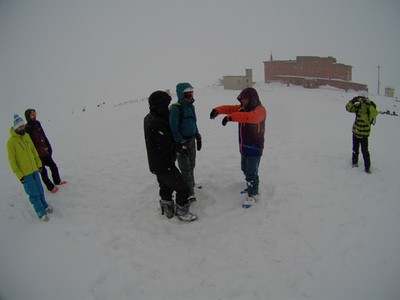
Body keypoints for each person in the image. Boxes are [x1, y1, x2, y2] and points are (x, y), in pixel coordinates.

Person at [144, 90, 198, 222]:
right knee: (183, 188)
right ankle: (182, 211)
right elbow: (165, 143)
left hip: (157, 163)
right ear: (159, 104)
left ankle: (167, 208)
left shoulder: (151, 116)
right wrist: (180, 147)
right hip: (163, 164)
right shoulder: (156, 121)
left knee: (165, 186)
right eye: (166, 103)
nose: (168, 106)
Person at [210, 87, 266, 208]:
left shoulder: (260, 110)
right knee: (245, 169)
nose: (242, 102)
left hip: (255, 148)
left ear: (251, 99)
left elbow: (251, 117)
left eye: (244, 99)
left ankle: (253, 194)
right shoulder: (242, 108)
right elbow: (229, 108)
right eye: (241, 99)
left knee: (251, 172)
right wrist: (217, 110)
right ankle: (250, 186)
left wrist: (232, 117)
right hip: (244, 147)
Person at [7, 114, 53, 222]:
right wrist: (19, 175)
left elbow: (33, 151)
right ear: (15, 128)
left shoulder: (27, 136)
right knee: (33, 193)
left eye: (22, 126)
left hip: (34, 169)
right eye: (19, 127)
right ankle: (40, 212)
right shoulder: (11, 143)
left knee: (40, 189)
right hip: (25, 173)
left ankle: (44, 204)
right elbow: (12, 161)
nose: (22, 128)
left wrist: (39, 165)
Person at [169, 82, 202, 202]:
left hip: (191, 140)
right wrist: (180, 143)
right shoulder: (175, 109)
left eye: (191, 93)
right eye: (187, 94)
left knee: (192, 165)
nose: (190, 96)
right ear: (181, 95)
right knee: (185, 168)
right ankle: (189, 192)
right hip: (182, 143)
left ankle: (191, 183)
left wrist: (198, 136)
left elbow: (194, 122)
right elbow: (174, 127)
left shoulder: (191, 107)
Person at [24, 109, 66, 193]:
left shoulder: (37, 123)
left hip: (45, 151)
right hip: (37, 155)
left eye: (35, 114)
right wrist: (34, 155)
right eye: (32, 115)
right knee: (43, 172)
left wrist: (49, 146)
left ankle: (57, 181)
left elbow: (43, 136)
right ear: (28, 117)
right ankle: (51, 188)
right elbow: (29, 145)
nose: (34, 116)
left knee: (53, 166)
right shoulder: (27, 128)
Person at [345, 91, 378, 174]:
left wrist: (368, 104)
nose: (360, 99)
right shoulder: (358, 106)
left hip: (364, 135)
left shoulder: (370, 106)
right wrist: (353, 101)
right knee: (355, 149)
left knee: (365, 151)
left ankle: (367, 167)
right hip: (356, 132)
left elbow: (374, 113)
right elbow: (348, 108)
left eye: (362, 98)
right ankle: (354, 163)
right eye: (359, 98)